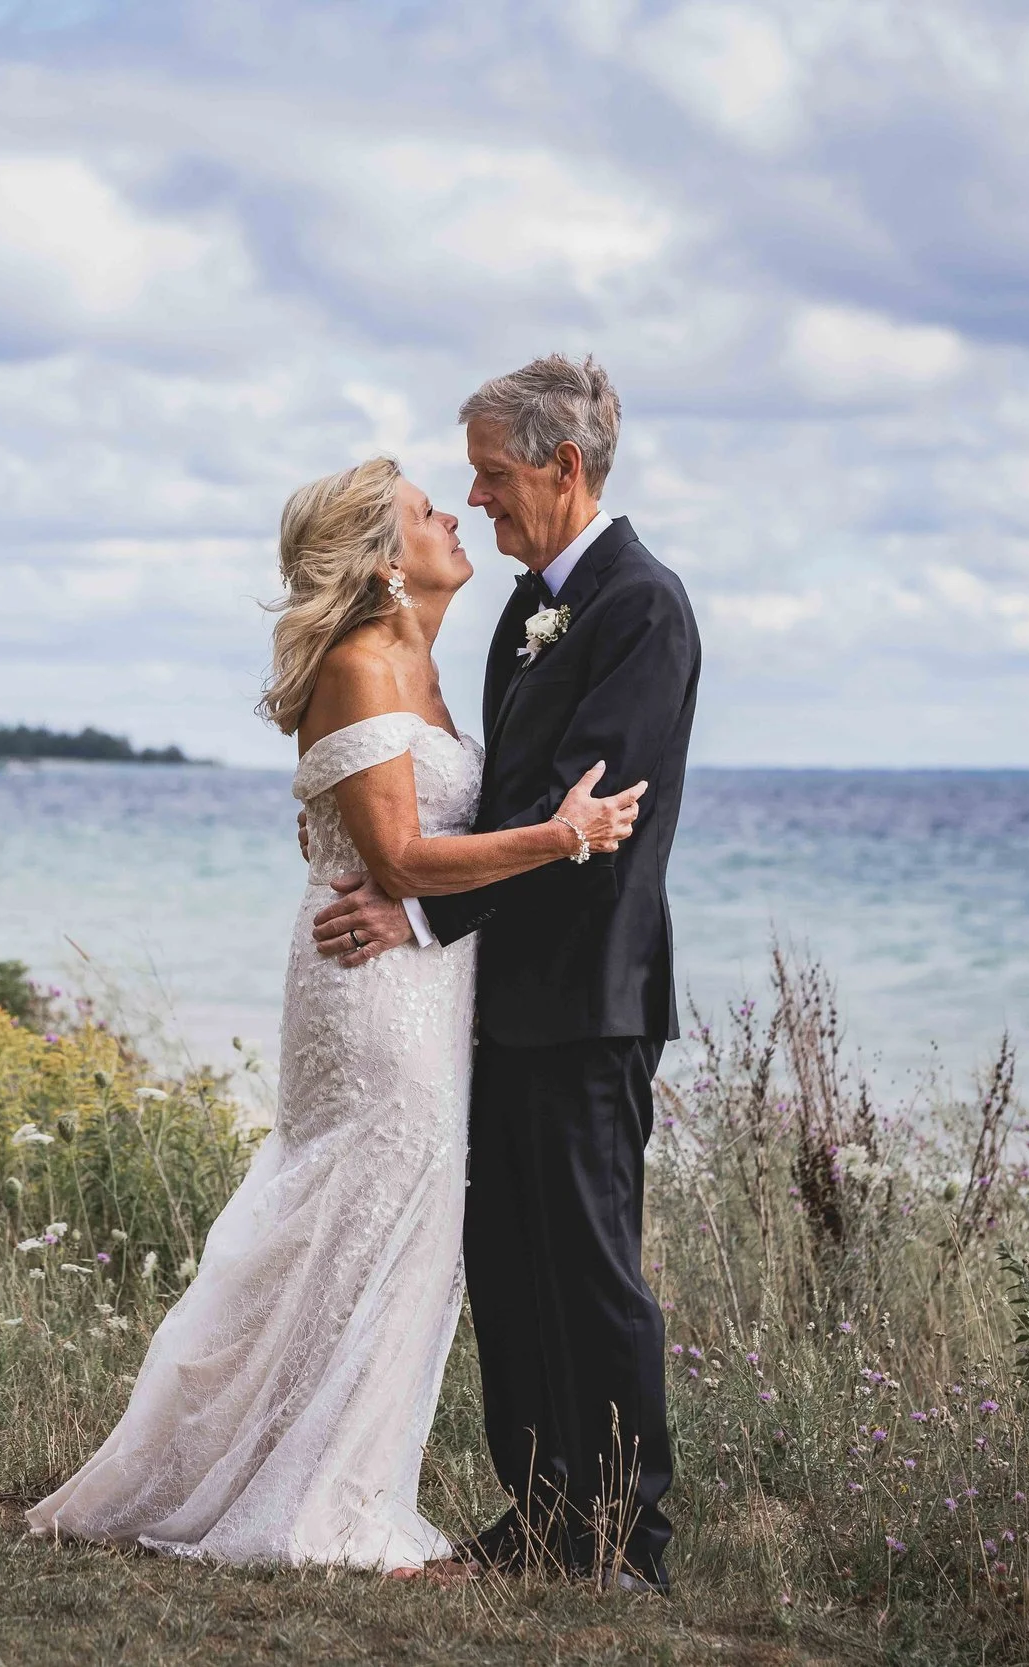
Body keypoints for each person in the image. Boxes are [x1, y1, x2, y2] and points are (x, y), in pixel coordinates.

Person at [25, 452, 644, 1571]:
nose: (453, 512)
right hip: (371, 992)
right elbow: (398, 858)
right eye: (424, 510)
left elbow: (377, 827)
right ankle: (295, 1489)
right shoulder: (361, 664)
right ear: (382, 559)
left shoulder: (427, 665)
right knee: (355, 1211)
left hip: (427, 978)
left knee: (394, 1224)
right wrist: (562, 836)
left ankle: (335, 1476)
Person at [313, 354, 699, 1591]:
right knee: (510, 1266)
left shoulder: (641, 608)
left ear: (562, 464)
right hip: (499, 997)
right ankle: (537, 1518)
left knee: (590, 1269)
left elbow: (592, 822)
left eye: (489, 473)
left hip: (589, 998)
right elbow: (514, 808)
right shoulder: (531, 610)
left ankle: (623, 1543)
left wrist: (420, 915)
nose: (475, 497)